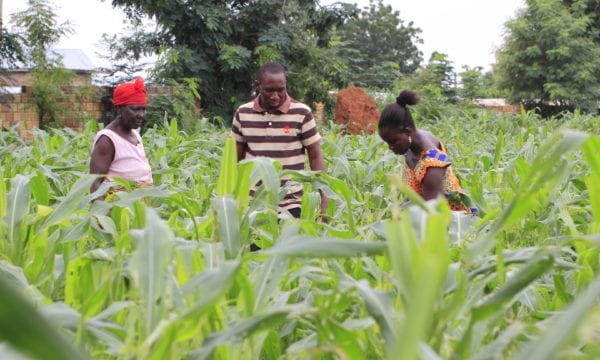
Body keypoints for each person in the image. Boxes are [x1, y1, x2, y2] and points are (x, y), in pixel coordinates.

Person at [229, 61, 328, 219]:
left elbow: (315, 156)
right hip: (253, 204)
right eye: (269, 90)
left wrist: (324, 197)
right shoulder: (243, 113)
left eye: (280, 90)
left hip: (291, 203)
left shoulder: (302, 113)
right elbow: (235, 160)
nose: (275, 96)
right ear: (257, 86)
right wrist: (231, 196)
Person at [378, 89, 473, 213]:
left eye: (393, 141)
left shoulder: (432, 164)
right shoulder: (414, 139)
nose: (390, 147)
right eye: (387, 142)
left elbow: (433, 213)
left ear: (407, 132)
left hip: (450, 219)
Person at [90, 77, 153, 199]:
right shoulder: (108, 139)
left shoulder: (135, 135)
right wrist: (101, 214)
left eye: (143, 109)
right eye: (135, 109)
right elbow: (95, 182)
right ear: (119, 109)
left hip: (138, 208)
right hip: (119, 208)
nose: (141, 115)